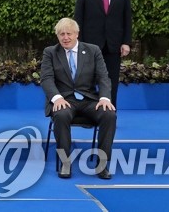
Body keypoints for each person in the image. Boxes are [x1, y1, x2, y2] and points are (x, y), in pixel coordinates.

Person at [40, 17, 117, 180]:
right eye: (61, 34)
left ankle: (102, 165)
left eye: (68, 33)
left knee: (109, 115)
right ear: (57, 36)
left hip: (89, 100)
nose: (65, 37)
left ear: (77, 34)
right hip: (65, 100)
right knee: (60, 115)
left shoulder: (93, 50)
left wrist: (104, 98)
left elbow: (103, 77)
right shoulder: (50, 52)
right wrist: (57, 98)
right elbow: (46, 78)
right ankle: (65, 163)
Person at [74, 0, 132, 105]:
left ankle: (109, 115)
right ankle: (91, 113)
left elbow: (127, 17)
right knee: (90, 81)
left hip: (114, 44)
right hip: (90, 44)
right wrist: (78, 42)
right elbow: (78, 17)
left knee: (112, 81)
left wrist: (126, 42)